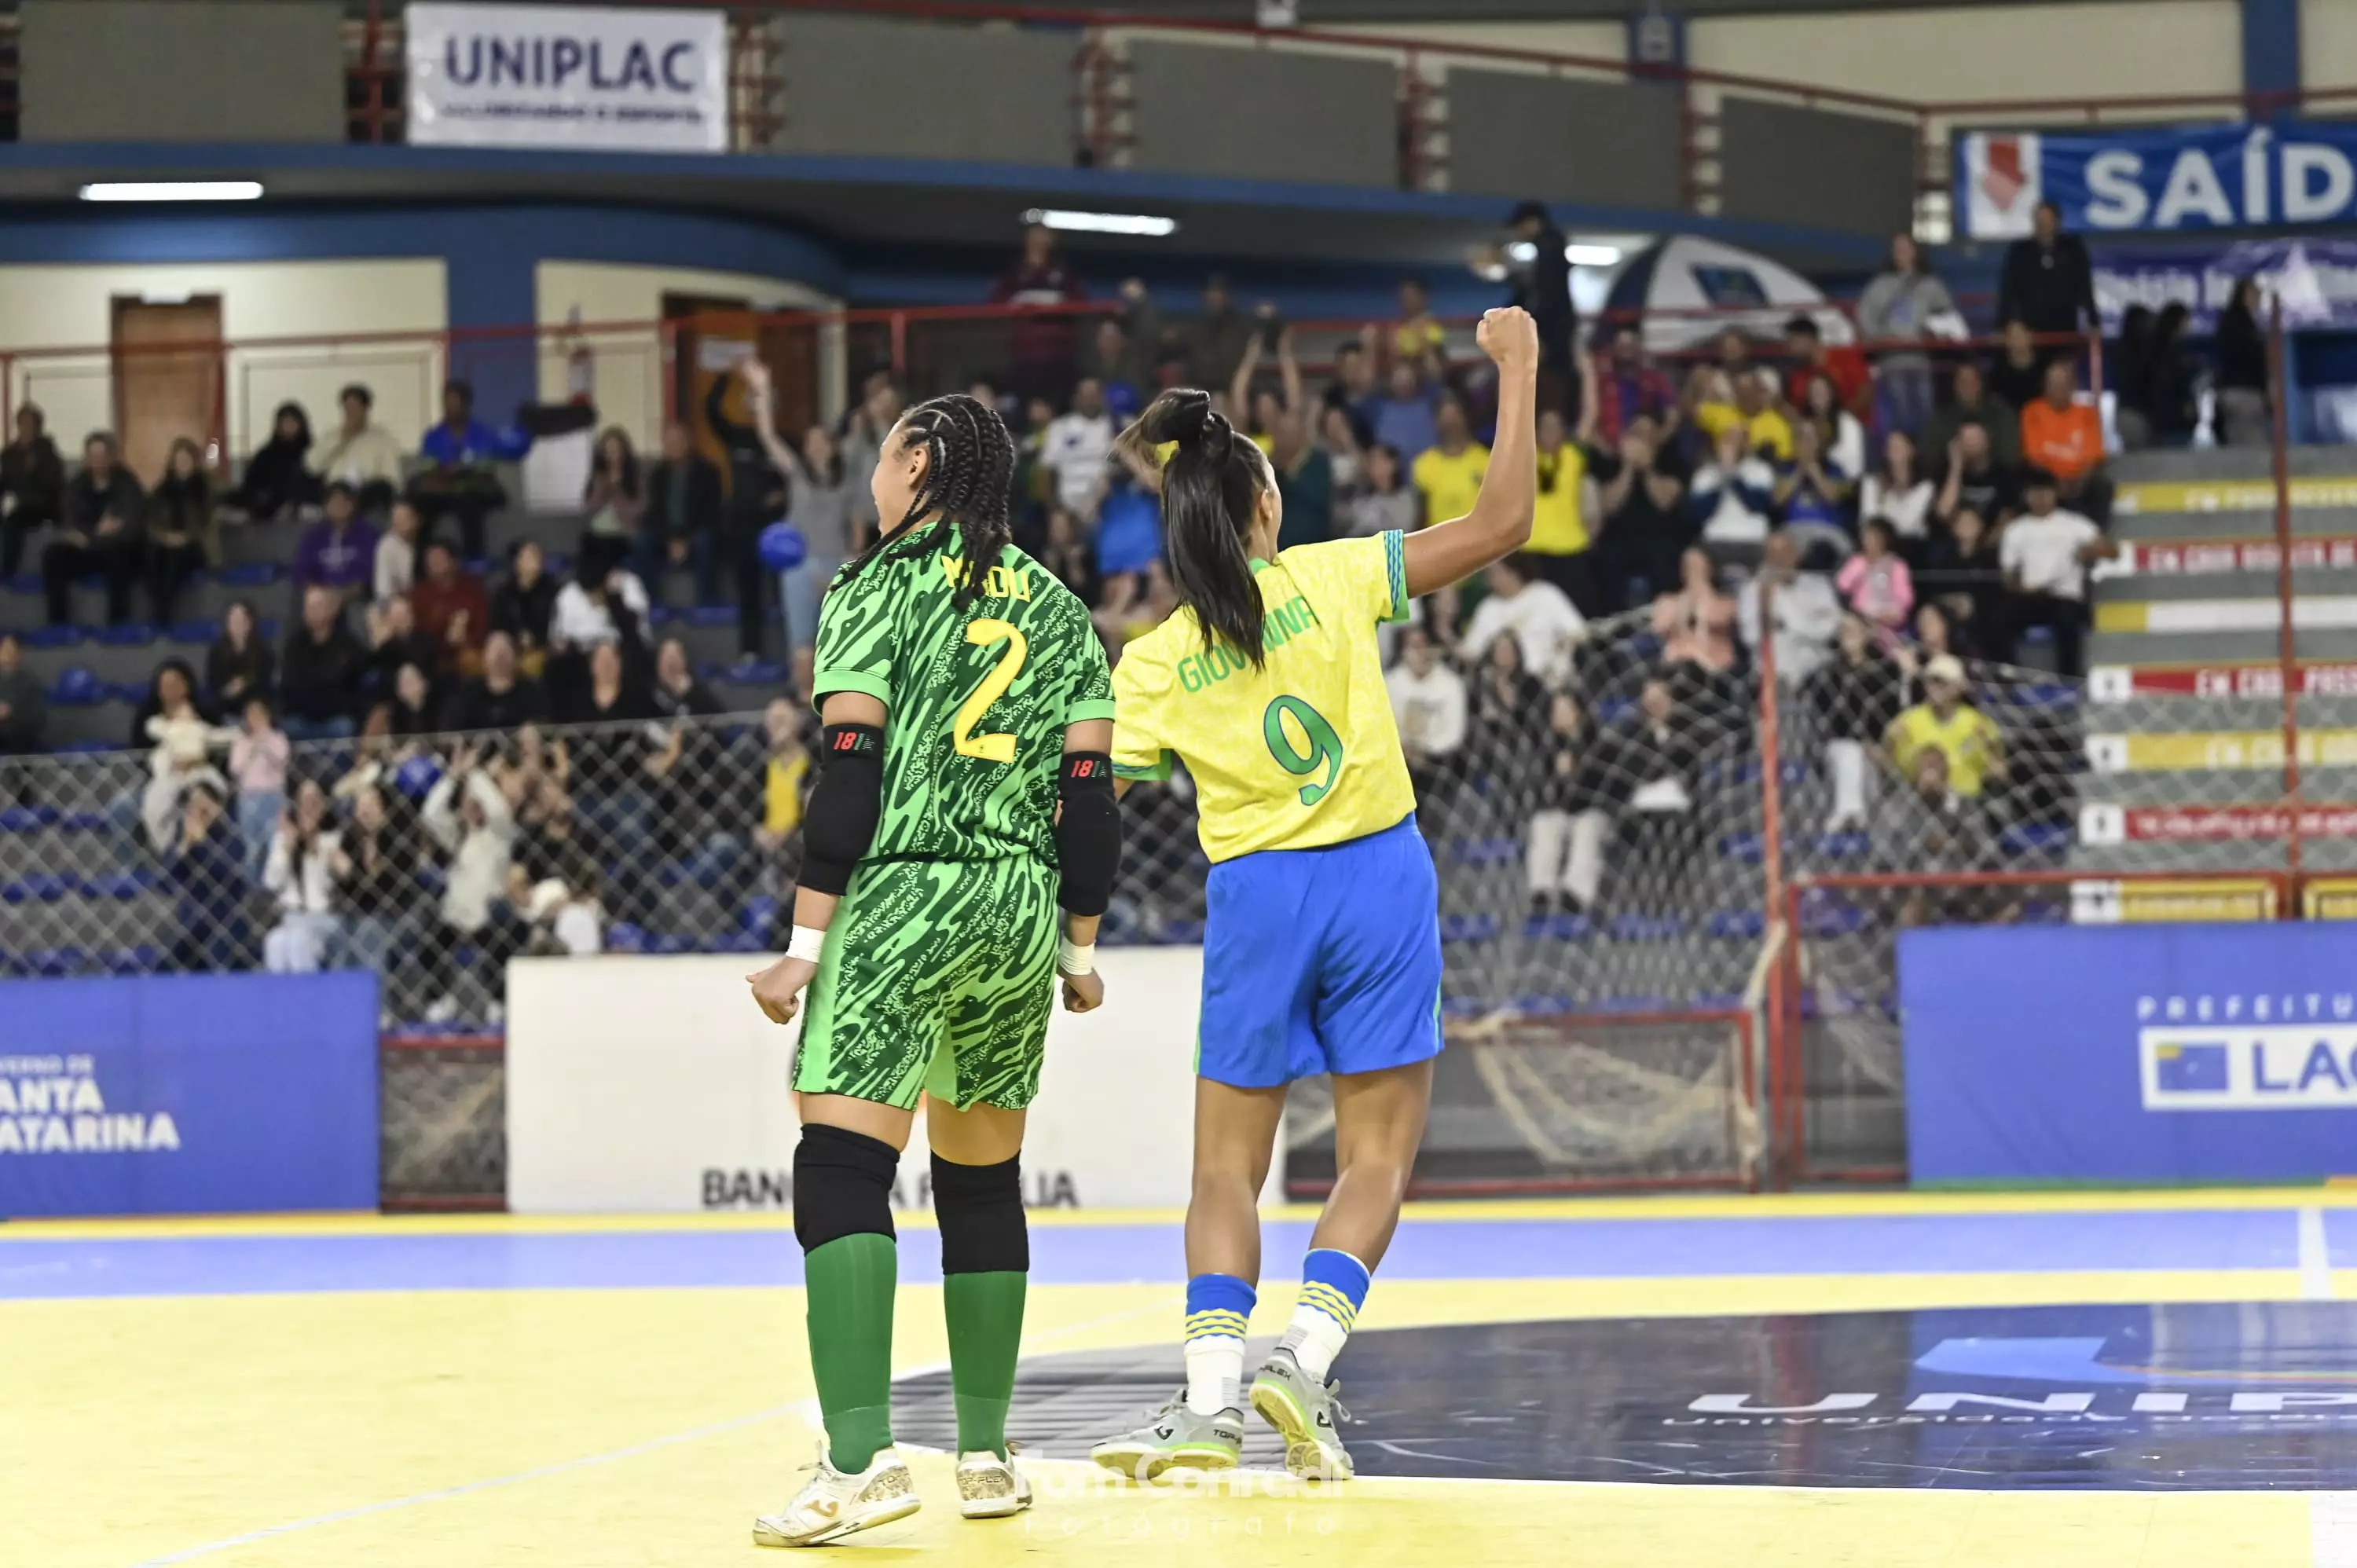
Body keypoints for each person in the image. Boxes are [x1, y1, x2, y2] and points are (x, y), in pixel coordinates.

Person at [1085, 306, 1540, 1485]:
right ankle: (1305, 1358)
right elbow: (1505, 522)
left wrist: (1066, 931)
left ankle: (1208, 1407)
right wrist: (1519, 366)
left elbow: (1086, 808)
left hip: (1257, 897)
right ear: (1265, 508)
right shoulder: (1338, 577)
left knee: (1223, 1173)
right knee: (1373, 1160)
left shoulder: (1153, 660)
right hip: (1380, 876)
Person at [739, 389, 1116, 1545]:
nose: (873, 471)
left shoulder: (872, 587)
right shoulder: (1059, 606)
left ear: (917, 461)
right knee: (982, 1182)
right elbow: (1090, 802)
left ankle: (858, 1463)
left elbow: (848, 777)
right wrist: (1079, 947)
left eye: (883, 452)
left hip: (903, 897)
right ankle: (988, 1457)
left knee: (843, 1169)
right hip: (1017, 906)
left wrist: (803, 948)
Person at [739, 359, 859, 655]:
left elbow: (856, 529)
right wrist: (763, 390)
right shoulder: (797, 473)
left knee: (839, 648)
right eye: (810, 442)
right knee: (802, 646)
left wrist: (848, 568)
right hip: (800, 565)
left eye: (821, 441)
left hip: (838, 564)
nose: (815, 446)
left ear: (833, 446)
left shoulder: (848, 481)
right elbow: (767, 436)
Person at [418, 738, 521, 1023]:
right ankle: (439, 999)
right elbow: (430, 813)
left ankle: (499, 1002)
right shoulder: (457, 836)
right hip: (455, 916)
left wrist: (475, 774)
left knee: (501, 931)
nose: (472, 805)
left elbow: (498, 810)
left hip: (487, 917)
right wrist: (453, 777)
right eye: (468, 801)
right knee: (430, 935)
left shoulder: (499, 835)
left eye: (477, 802)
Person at [702, 368, 788, 665]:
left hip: (776, 526)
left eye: (761, 401)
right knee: (748, 589)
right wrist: (725, 376)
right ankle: (750, 650)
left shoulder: (782, 441)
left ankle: (794, 652)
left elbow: (798, 478)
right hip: (741, 525)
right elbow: (711, 411)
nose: (756, 407)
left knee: (782, 590)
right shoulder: (736, 435)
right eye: (751, 401)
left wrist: (782, 495)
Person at [2000, 466, 2112, 678]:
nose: (2040, 498)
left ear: (2055, 493)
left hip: (2065, 596)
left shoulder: (2074, 523)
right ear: (2026, 496)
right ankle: (2009, 674)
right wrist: (2019, 588)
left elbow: (2111, 550)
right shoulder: (2015, 529)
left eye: (2045, 492)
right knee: (2000, 615)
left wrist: (2088, 552)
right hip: (2031, 596)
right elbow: (2008, 575)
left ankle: (2069, 679)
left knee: (2068, 619)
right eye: (2035, 493)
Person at [1806, 613, 1907, 831]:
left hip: (1878, 757)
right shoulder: (1828, 674)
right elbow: (1830, 722)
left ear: (1867, 633)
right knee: (1848, 750)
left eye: (1854, 629)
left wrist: (1877, 746)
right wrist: (1863, 742)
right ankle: (1851, 813)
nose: (1849, 635)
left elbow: (1893, 714)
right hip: (1839, 756)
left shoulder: (1887, 671)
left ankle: (1854, 814)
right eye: (1844, 630)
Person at [1855, 233, 1958, 438]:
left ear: (1915, 252)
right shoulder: (1879, 286)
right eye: (1897, 249)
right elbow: (1864, 317)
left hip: (1922, 359)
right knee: (1899, 413)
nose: (1901, 253)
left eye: (1905, 248)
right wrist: (1880, 339)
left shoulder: (1931, 285)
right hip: (1891, 359)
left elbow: (1947, 316)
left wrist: (1934, 333)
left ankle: (1927, 450)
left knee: (1927, 411)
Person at [412, 379, 524, 562]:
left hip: (478, 490)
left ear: (467, 405)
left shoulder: (483, 433)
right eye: (447, 403)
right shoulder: (433, 436)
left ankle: (474, 562)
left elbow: (485, 470)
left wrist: (457, 471)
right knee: (423, 503)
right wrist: (447, 474)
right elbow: (428, 470)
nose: (450, 409)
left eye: (455, 404)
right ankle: (422, 563)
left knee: (468, 502)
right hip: (444, 490)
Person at [42, 431, 145, 626]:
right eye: (93, 456)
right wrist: (94, 533)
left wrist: (98, 534)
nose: (98, 461)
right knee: (52, 556)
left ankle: (118, 624)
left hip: (117, 548)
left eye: (102, 455)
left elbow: (132, 523)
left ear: (112, 457)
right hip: (87, 547)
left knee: (119, 557)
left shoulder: (127, 483)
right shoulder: (77, 484)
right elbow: (70, 521)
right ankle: (58, 623)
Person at [990, 220, 1088, 406]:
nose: (1040, 241)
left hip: (1059, 357)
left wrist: (1058, 304)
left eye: (1044, 236)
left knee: (1059, 407)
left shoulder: (1064, 272)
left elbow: (1081, 304)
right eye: (1035, 236)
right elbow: (996, 304)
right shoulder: (1014, 273)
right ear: (1027, 240)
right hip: (1023, 357)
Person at [1886, 653, 2004, 800]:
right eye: (1932, 681)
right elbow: (1888, 760)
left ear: (1958, 687)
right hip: (1916, 801)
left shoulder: (1978, 724)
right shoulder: (1908, 721)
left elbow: (1999, 768)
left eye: (1943, 682)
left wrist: (1991, 768)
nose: (1936, 687)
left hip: (1965, 802)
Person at [1524, 383, 1600, 610]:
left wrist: (1586, 371)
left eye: (1556, 426)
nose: (1550, 431)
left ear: (1564, 431)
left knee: (1573, 612)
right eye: (1545, 427)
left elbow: (1591, 414)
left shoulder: (1573, 455)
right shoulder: (1524, 456)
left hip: (1570, 548)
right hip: (1532, 550)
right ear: (1536, 431)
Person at [1459, 553, 1584, 689]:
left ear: (1514, 571)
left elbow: (1577, 632)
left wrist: (1562, 652)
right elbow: (1471, 650)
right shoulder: (1488, 607)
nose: (1491, 581)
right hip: (1504, 687)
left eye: (1495, 573)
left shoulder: (1545, 594)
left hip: (1549, 680)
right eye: (1488, 575)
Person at [164, 782, 251, 973]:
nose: (198, 812)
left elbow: (229, 873)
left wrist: (204, 842)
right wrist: (184, 847)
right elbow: (164, 880)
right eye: (193, 807)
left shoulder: (231, 835)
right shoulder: (183, 837)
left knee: (218, 950)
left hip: (226, 916)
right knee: (167, 957)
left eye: (204, 807)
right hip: (192, 918)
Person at [1737, 528, 1842, 686]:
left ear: (1798, 554)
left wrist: (1786, 624)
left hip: (1816, 671)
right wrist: (1765, 609)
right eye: (1773, 554)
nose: (1780, 560)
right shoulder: (1753, 591)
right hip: (1771, 674)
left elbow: (1829, 629)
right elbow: (1750, 637)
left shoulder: (1819, 586)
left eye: (1785, 552)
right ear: (1766, 558)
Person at [262, 778, 343, 974]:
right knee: (274, 942)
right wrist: (286, 850)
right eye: (304, 802)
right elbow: (271, 882)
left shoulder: (333, 839)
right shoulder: (283, 839)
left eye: (314, 801)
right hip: (291, 916)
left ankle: (307, 993)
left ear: (323, 805)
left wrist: (313, 844)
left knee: (298, 942)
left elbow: (330, 886)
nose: (308, 807)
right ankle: (280, 994)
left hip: (323, 916)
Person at [2019, 357, 2112, 524]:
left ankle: (2096, 534)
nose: (2058, 389)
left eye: (2063, 384)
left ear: (2073, 386)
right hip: (2048, 480)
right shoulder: (2032, 411)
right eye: (2053, 384)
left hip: (2080, 481)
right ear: (2045, 386)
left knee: (2102, 486)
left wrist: (2080, 481)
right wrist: (2056, 483)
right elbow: (2034, 458)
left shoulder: (2087, 413)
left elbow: (2093, 456)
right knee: (2031, 483)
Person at [1505, 201, 1577, 412]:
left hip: (1551, 335)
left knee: (1551, 389)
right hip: (1553, 332)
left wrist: (1538, 334)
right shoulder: (1550, 247)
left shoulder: (1549, 250)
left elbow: (1548, 297)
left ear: (1533, 222)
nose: (1519, 232)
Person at [1523, 691, 1589, 913]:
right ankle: (1541, 893)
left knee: (1588, 828)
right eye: (1556, 710)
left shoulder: (1595, 742)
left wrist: (1577, 770)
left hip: (1588, 811)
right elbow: (1542, 792)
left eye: (1566, 709)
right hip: (1557, 809)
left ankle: (1574, 895)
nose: (1560, 715)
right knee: (1544, 823)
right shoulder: (1545, 748)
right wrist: (1559, 775)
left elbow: (1602, 788)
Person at [1384, 623, 1467, 801]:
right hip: (1398, 756)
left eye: (1424, 645)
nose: (1420, 652)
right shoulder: (1389, 683)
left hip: (1438, 759)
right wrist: (1405, 749)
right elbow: (1381, 728)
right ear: (1403, 652)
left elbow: (1454, 734)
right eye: (1413, 646)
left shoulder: (1451, 684)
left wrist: (1425, 749)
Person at [643, 419, 724, 596]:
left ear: (689, 442)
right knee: (643, 541)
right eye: (669, 443)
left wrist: (685, 541)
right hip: (667, 533)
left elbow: (711, 514)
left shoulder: (708, 473)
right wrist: (671, 540)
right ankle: (650, 600)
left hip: (695, 532)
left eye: (679, 441)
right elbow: (655, 513)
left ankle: (706, 601)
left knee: (705, 541)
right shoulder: (658, 475)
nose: (674, 446)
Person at [1996, 200, 2097, 338]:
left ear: (2057, 222)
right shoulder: (2020, 252)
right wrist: (2001, 326)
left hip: (2065, 324)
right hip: (2029, 328)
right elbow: (2008, 291)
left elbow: (2085, 287)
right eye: (2038, 221)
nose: (2042, 225)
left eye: (2046, 220)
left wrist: (2093, 321)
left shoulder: (2073, 250)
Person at [280, 584, 366, 741]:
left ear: (332, 610)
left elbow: (348, 686)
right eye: (308, 606)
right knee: (287, 728)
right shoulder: (294, 646)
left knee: (344, 727)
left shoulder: (348, 646)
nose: (312, 611)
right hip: (302, 718)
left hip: (336, 718)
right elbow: (291, 685)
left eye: (317, 605)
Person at [141, 436, 212, 625]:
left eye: (186, 460)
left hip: (194, 546)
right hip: (166, 543)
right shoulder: (162, 490)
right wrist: (165, 537)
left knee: (174, 560)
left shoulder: (203, 489)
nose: (182, 465)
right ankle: (158, 609)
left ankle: (163, 613)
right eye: (179, 460)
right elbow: (151, 521)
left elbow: (205, 524)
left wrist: (184, 538)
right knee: (152, 558)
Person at [312, 383, 405, 512]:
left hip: (365, 491)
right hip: (335, 490)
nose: (352, 413)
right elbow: (312, 466)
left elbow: (392, 479)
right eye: (348, 408)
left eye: (356, 407)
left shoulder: (382, 438)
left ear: (366, 409)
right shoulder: (333, 435)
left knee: (380, 488)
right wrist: (341, 440)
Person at [228, 695, 291, 882]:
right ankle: (252, 886)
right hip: (249, 797)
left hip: (273, 796)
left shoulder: (278, 738)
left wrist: (265, 744)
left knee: (274, 842)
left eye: (259, 714)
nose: (255, 718)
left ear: (267, 716)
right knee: (251, 845)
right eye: (251, 714)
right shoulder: (241, 741)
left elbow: (282, 760)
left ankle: (273, 884)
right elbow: (235, 769)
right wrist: (252, 749)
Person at [408, 538, 489, 681]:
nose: (434, 564)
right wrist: (446, 638)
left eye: (439, 558)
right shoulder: (419, 594)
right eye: (430, 560)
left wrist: (464, 639)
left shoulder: (472, 590)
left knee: (472, 659)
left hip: (466, 651)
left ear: (453, 562)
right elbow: (417, 632)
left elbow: (483, 626)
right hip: (432, 655)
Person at [1039, 376, 1117, 523]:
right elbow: (1047, 470)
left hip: (1103, 506)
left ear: (1102, 398)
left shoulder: (1113, 427)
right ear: (1076, 398)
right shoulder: (1059, 427)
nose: (1090, 400)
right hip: (1066, 507)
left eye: (1094, 395)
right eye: (1085, 395)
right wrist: (1054, 511)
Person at [0, 403, 64, 580]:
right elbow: (4, 482)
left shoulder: (47, 453)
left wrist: (32, 471)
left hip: (42, 506)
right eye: (22, 423)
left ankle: (8, 574)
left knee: (12, 522)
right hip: (13, 504)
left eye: (30, 424)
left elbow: (53, 487)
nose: (25, 428)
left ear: (38, 427)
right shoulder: (9, 454)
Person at [1688, 421, 1775, 549]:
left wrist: (1732, 473)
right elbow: (1701, 513)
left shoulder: (1761, 470)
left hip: (1753, 541)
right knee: (1692, 557)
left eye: (1740, 438)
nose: (1734, 444)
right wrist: (1723, 474)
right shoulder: (1704, 474)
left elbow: (1757, 505)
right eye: (1729, 438)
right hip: (1714, 541)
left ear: (1747, 443)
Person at [291, 482, 379, 607]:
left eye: (343, 502)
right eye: (334, 502)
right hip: (319, 597)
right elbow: (301, 571)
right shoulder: (313, 536)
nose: (338, 507)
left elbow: (369, 575)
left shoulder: (368, 534)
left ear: (353, 504)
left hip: (356, 598)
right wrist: (318, 593)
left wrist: (341, 595)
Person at [229, 402, 321, 522]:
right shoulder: (267, 454)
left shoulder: (312, 452)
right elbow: (251, 483)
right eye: (285, 423)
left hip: (302, 504)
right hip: (267, 506)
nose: (289, 427)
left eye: (293, 423)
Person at [1919, 361, 2021, 469]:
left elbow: (2010, 456)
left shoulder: (2000, 412)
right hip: (1950, 473)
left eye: (1973, 381)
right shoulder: (1942, 415)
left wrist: (1984, 451)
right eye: (1962, 382)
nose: (1968, 386)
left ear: (1982, 384)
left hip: (1997, 475)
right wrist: (1956, 452)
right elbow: (1929, 456)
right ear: (1954, 386)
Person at [1652, 546, 1739, 673]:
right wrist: (1684, 606)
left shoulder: (1726, 603)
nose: (1694, 572)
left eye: (1698, 566)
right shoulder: (1668, 602)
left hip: (1714, 667)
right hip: (1675, 665)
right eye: (1689, 566)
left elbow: (1720, 618)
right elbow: (1660, 626)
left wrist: (1703, 595)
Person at [442, 629, 548, 733]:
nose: (500, 656)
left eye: (505, 650)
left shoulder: (530, 691)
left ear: (515, 656)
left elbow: (545, 722)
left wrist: (533, 728)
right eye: (495, 650)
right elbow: (450, 727)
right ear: (484, 656)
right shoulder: (467, 692)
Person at [1590, 324, 1677, 446]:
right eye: (1622, 346)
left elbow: (1672, 416)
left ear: (1640, 347)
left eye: (1630, 346)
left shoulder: (1654, 380)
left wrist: (1658, 442)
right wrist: (1603, 448)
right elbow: (1589, 419)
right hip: (1606, 448)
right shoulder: (1602, 382)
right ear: (1613, 348)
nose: (1626, 351)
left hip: (1646, 445)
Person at [1411, 396, 1487, 534]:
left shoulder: (1486, 461)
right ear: (1435, 421)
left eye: (1455, 415)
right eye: (1444, 416)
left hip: (1479, 541)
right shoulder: (1423, 464)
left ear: (1467, 418)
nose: (1450, 422)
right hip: (1437, 543)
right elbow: (1419, 518)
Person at [489, 538, 560, 676]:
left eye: (538, 555)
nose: (537, 560)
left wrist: (536, 639)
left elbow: (555, 624)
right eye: (530, 555)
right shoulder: (504, 592)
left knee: (532, 663)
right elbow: (497, 626)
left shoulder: (552, 591)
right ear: (517, 561)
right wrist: (515, 638)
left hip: (542, 647)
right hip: (511, 646)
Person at [1861, 429, 1935, 555]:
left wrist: (1885, 511)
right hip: (1874, 543)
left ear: (1912, 451)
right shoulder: (1872, 483)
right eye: (1892, 446)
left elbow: (1908, 525)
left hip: (1910, 545)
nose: (1896, 450)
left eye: (1901, 446)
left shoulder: (1925, 487)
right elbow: (1868, 519)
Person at [1837, 518, 1915, 638]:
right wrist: (1862, 566)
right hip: (1862, 618)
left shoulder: (1897, 565)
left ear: (1885, 539)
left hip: (1890, 620)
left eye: (1874, 537)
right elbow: (1842, 585)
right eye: (1866, 537)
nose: (1869, 541)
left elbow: (1906, 598)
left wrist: (1889, 613)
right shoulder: (1857, 561)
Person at [2216, 278, 2270, 448]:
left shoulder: (2237, 321)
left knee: (2239, 445)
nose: (2258, 299)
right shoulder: (2240, 324)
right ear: (2245, 295)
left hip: (2235, 392)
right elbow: (2250, 359)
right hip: (2243, 393)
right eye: (2255, 294)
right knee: (2251, 451)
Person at [580, 427, 645, 566]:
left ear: (624, 451)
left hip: (623, 534)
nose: (612, 454)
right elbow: (588, 508)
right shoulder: (597, 477)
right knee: (587, 547)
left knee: (609, 551)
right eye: (607, 450)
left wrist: (617, 492)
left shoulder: (635, 479)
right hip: (597, 534)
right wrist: (601, 489)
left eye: (616, 449)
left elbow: (640, 509)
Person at [1781, 315, 1868, 416]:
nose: (1788, 348)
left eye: (1791, 341)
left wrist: (1841, 418)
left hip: (1856, 421)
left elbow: (1866, 392)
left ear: (1807, 339)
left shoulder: (1845, 357)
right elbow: (1796, 406)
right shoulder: (1798, 376)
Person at [1366, 361, 1441, 463]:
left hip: (1429, 466)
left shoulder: (1428, 405)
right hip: (1393, 468)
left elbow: (1437, 379)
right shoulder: (1380, 408)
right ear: (1392, 382)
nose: (1404, 385)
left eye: (1408, 380)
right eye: (1399, 380)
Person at [206, 599, 275, 709]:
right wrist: (227, 691)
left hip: (255, 708)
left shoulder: (264, 652)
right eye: (233, 620)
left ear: (251, 622)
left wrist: (245, 686)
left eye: (242, 620)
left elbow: (266, 686)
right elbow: (212, 687)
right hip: (224, 707)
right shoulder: (216, 652)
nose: (237, 624)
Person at [1343, 442, 1418, 542]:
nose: (1375, 467)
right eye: (1372, 462)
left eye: (1380, 461)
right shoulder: (1361, 498)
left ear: (1392, 464)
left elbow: (1403, 532)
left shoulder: (1405, 498)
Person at [0, 630, 49, 760]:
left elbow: (38, 718)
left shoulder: (31, 682)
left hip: (19, 735)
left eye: (11, 650)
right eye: (4, 649)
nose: (7, 654)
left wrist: (11, 712)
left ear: (19, 653)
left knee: (19, 742)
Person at [1987, 318, 2049, 413]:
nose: (2016, 339)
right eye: (2011, 335)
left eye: (2020, 334)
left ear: (2031, 336)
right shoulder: (1997, 373)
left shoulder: (2046, 368)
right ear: (2005, 340)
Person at [375, 498, 422, 608]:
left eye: (404, 518)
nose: (399, 522)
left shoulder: (428, 543)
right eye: (396, 518)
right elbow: (384, 590)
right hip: (397, 603)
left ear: (417, 519)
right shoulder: (386, 545)